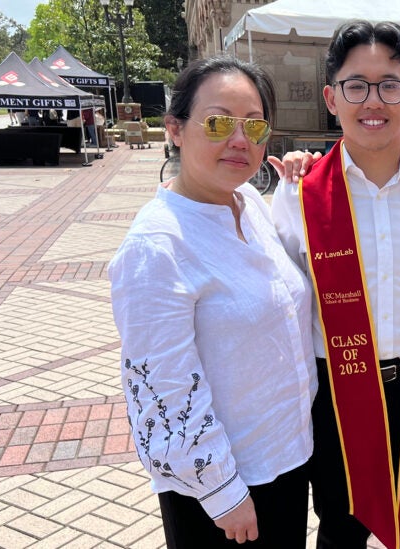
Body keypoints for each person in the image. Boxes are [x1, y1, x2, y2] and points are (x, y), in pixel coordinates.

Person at [270, 20, 400, 549]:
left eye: (389, 84)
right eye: (356, 85)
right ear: (332, 98)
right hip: (334, 388)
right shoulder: (297, 195)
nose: (373, 100)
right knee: (339, 527)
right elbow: (282, 301)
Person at [108, 56, 317, 548]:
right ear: (175, 129)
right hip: (223, 487)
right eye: (219, 122)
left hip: (285, 458)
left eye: (255, 125)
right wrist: (221, 491)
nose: (240, 140)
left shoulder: (249, 207)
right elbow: (162, 388)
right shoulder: (157, 245)